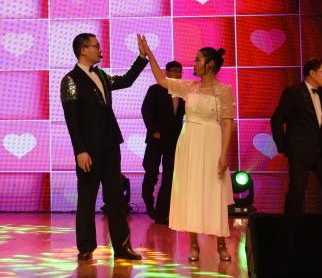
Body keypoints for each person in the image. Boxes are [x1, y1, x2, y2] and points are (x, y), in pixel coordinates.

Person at [139, 39, 233, 263]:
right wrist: (149, 53)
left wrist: (223, 154)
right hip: (189, 142)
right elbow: (161, 79)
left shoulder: (224, 90)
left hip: (212, 142)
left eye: (198, 60)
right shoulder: (189, 87)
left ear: (210, 64)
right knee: (191, 192)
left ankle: (221, 244)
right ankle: (193, 245)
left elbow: (228, 123)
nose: (194, 63)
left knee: (214, 192)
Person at [60, 33, 148, 261]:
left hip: (110, 145)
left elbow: (126, 81)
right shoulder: (70, 80)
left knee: (116, 198)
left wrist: (141, 58)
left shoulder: (100, 74)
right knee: (87, 198)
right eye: (96, 46)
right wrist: (80, 150)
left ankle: (122, 247)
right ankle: (86, 247)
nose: (100, 50)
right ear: (83, 50)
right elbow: (72, 120)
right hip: (88, 150)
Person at [270, 59, 322, 216]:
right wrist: (283, 146)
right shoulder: (293, 92)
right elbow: (277, 120)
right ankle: (290, 228)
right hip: (300, 151)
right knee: (296, 193)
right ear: (312, 73)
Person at [141, 60, 185, 223]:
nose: (177, 74)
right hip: (156, 138)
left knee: (169, 176)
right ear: (166, 72)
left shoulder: (183, 92)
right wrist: (154, 131)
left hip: (174, 140)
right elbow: (146, 111)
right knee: (151, 172)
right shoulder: (155, 89)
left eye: (179, 71)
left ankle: (161, 212)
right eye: (174, 71)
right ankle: (148, 199)